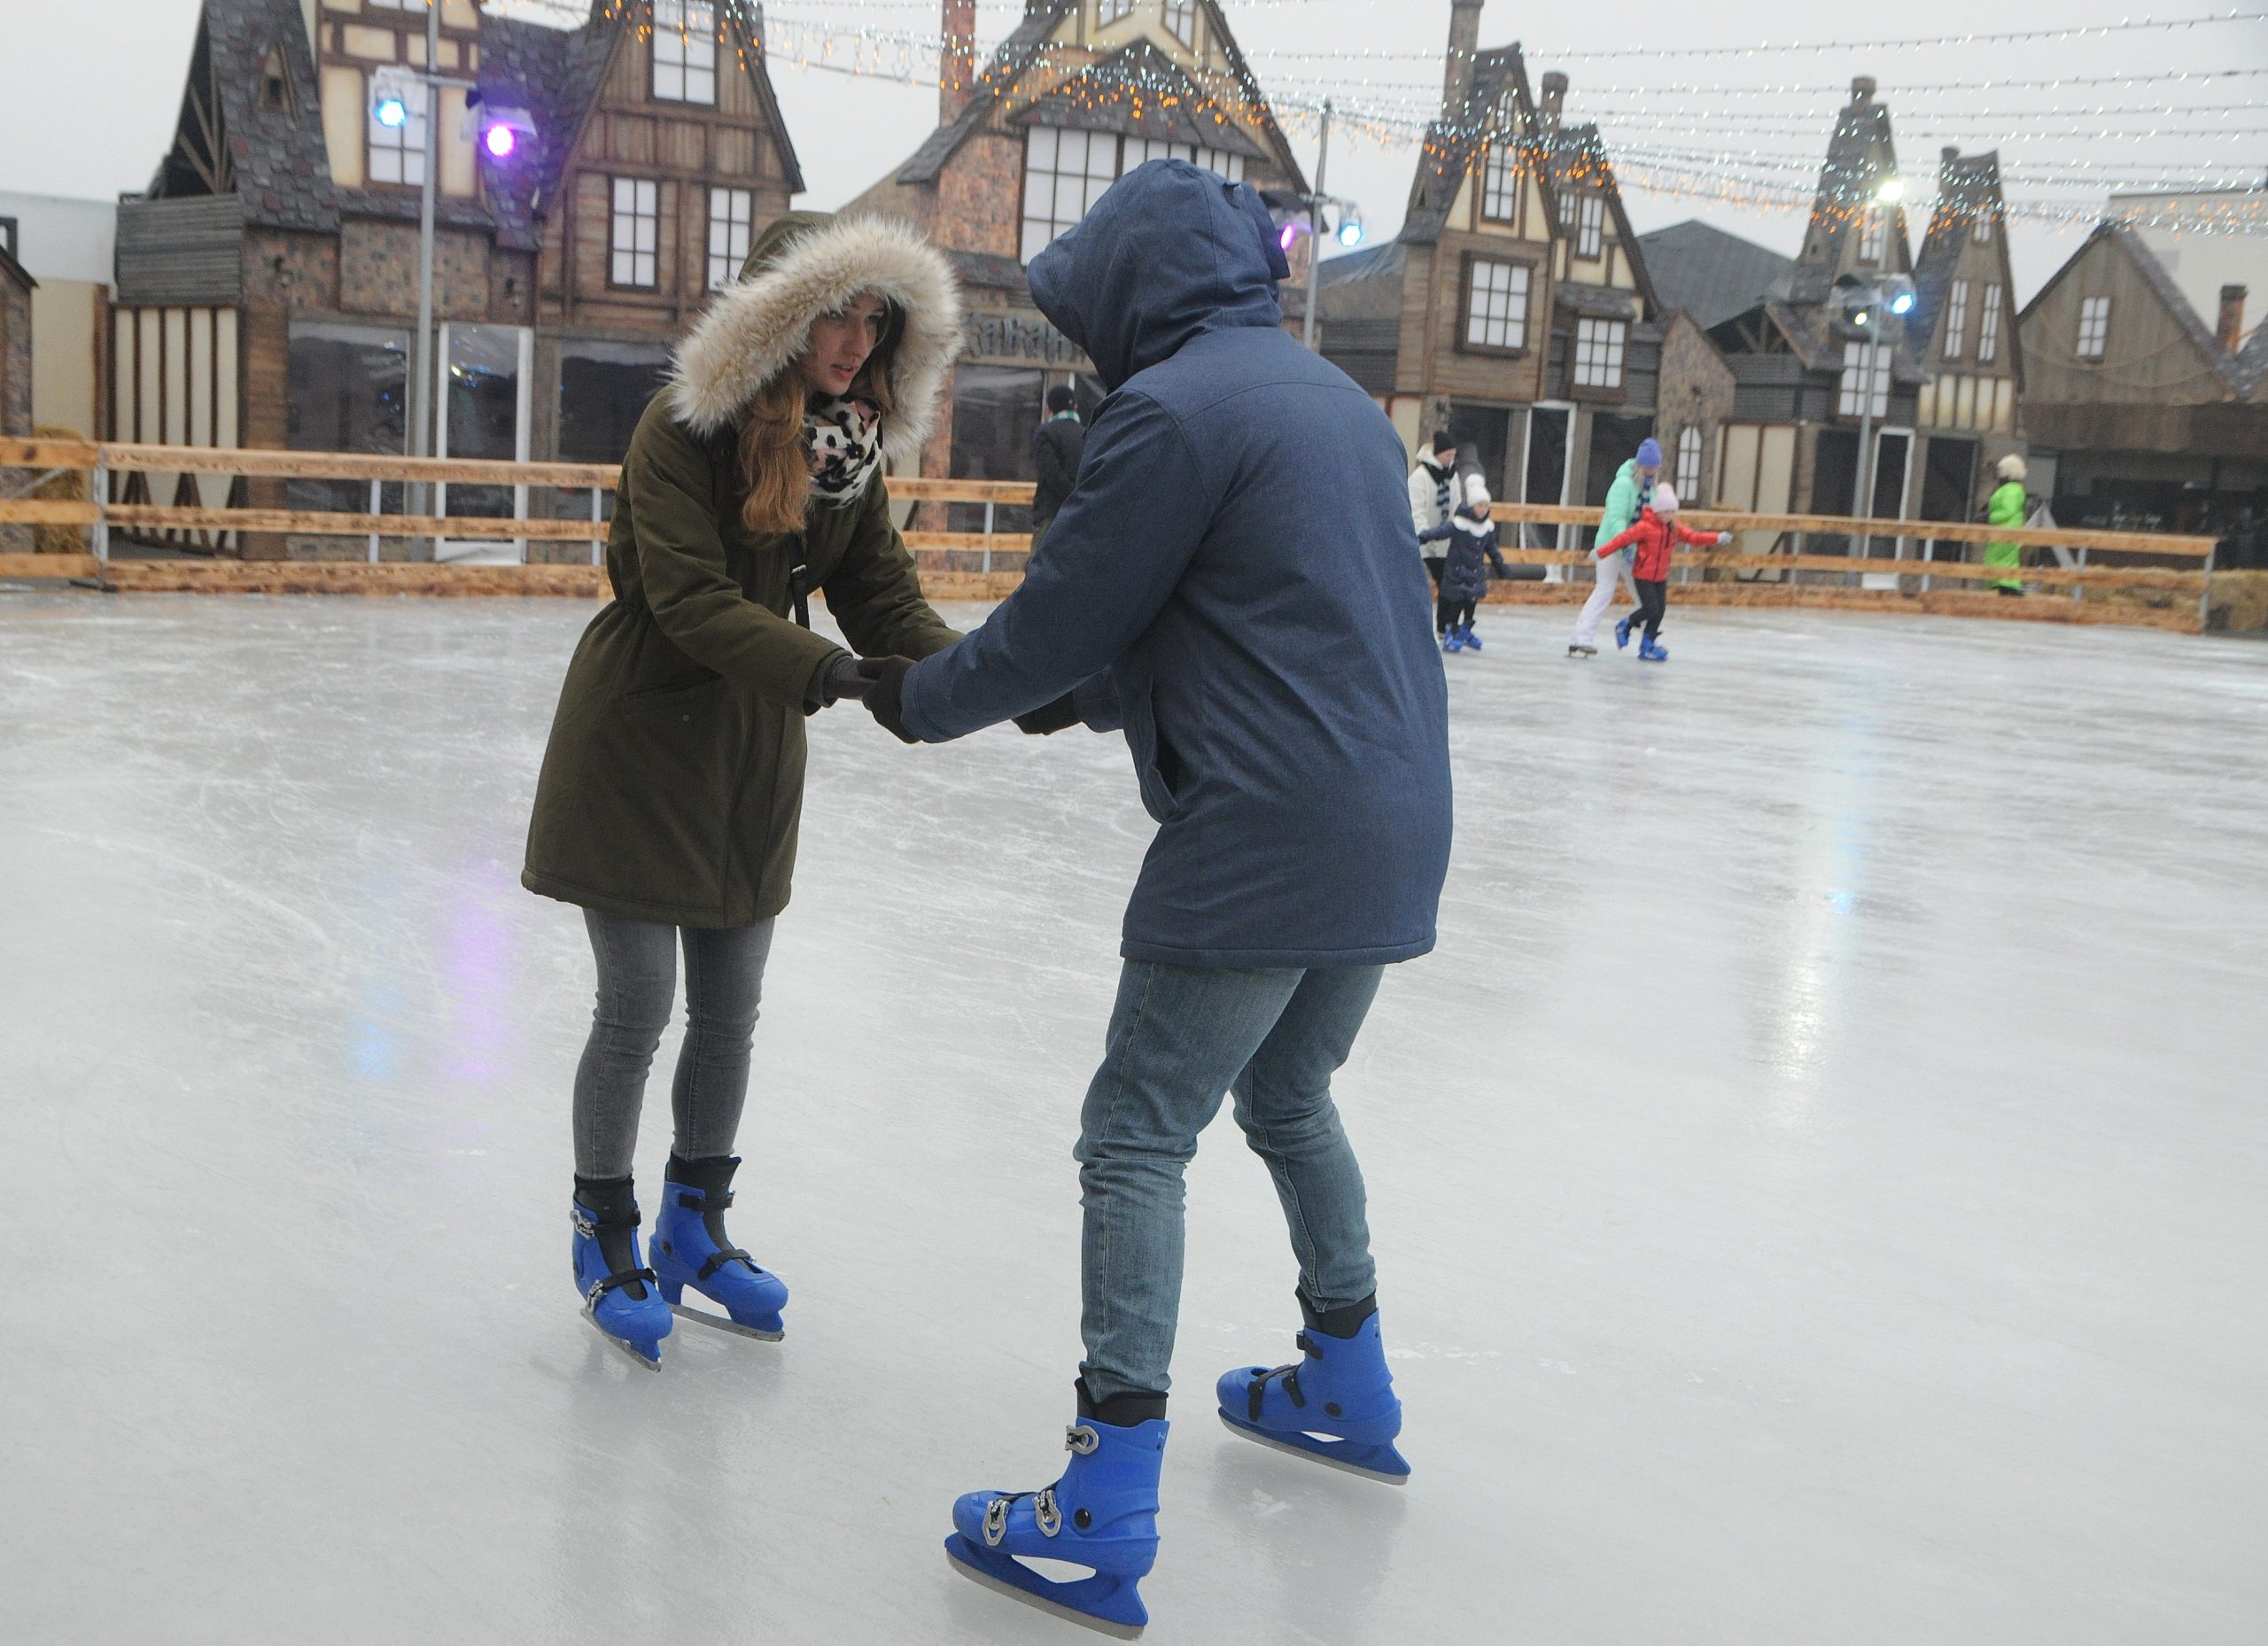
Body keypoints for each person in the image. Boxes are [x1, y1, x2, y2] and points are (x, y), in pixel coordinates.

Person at [845, 160, 1451, 1635]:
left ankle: (1104, 1497)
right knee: (1292, 1090)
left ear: (1134, 286)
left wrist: (920, 696)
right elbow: (1254, 615)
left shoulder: (1170, 413)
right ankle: (1348, 1381)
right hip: (1397, 820)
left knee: (1134, 1130)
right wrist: (1099, 697)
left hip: (1263, 831)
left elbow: (1062, 615)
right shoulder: (1330, 403)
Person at [519, 211, 964, 1370]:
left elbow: (882, 590)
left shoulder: (843, 448)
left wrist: (983, 676)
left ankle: (693, 1226)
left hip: (753, 752)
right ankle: (601, 1228)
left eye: (876, 316)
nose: (859, 338)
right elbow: (690, 602)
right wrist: (831, 669)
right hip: (637, 744)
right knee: (636, 1003)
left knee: (729, 1011)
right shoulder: (682, 427)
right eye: (838, 309)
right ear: (777, 312)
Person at [1592, 483, 1730, 663]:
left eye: (1672, 512)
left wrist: (1717, 538)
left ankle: (1647, 645)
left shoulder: (1673, 528)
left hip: (1660, 576)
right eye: (1666, 512)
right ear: (1657, 510)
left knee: (1660, 611)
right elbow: (1622, 539)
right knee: (1651, 608)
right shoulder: (1645, 527)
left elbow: (1694, 537)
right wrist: (1601, 552)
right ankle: (1625, 625)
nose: (1669, 516)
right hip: (1643, 575)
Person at [1570, 435, 1661, 657]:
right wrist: (1626, 542)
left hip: (1636, 549)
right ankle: (1581, 638)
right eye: (1648, 466)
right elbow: (1616, 517)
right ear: (1640, 465)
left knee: (1645, 597)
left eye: (1654, 467)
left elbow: (1652, 521)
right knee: (1604, 590)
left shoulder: (1653, 490)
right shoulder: (1623, 485)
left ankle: (1648, 639)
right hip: (1611, 546)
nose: (1651, 471)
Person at [1440, 473, 1511, 654]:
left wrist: (1501, 566)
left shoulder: (1486, 528)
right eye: (1480, 505)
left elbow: (1492, 549)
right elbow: (1439, 532)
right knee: (1456, 604)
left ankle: (1465, 631)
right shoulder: (1459, 524)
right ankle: (1451, 632)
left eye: (1486, 506)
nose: (1483, 509)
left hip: (1474, 575)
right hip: (1457, 574)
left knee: (1471, 604)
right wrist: (1420, 538)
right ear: (1472, 506)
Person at [1030, 383, 1086, 553]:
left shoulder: (1045, 433)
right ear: (1075, 406)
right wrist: (1079, 497)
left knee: (1039, 567)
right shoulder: (1088, 433)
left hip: (1051, 512)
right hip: (1082, 514)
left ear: (1048, 408)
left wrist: (1070, 495)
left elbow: (1050, 473)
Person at [1409, 430, 1460, 608]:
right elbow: (1416, 509)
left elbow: (1456, 505)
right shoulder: (1420, 477)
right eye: (1447, 455)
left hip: (1445, 541)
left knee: (1447, 584)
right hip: (1423, 540)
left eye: (1453, 455)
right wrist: (1425, 535)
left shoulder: (1452, 476)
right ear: (1437, 454)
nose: (1450, 459)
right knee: (1421, 583)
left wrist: (1456, 530)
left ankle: (1444, 625)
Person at [1984, 454, 2029, 595]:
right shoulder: (2012, 489)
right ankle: (2006, 589)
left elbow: (2008, 511)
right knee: (2004, 562)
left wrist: (1990, 517)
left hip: (2006, 531)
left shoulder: (2010, 490)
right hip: (2004, 531)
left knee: (2001, 562)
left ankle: (2009, 589)